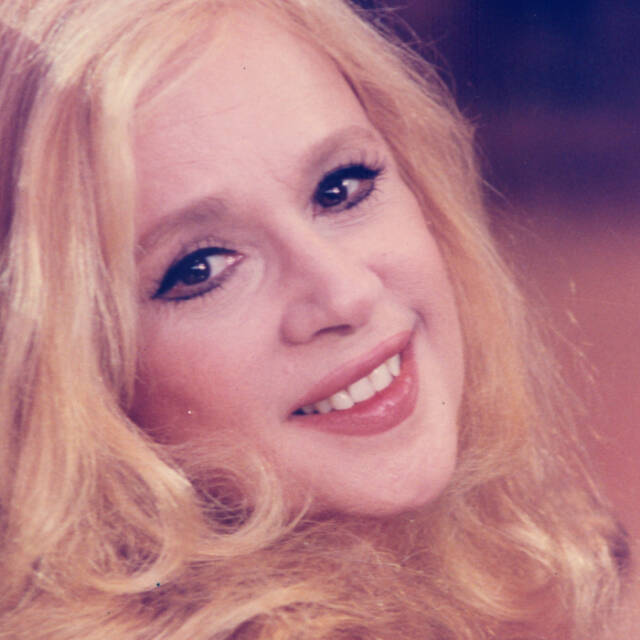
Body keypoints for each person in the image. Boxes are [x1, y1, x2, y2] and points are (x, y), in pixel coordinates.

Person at [0, 0, 628, 638]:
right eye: (201, 267)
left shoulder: (553, 552)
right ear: (60, 373)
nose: (346, 293)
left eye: (340, 188)